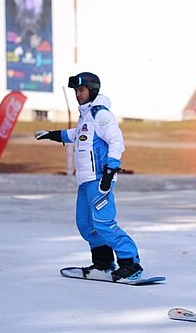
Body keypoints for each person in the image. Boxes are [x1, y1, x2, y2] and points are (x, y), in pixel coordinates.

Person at [34, 72, 143, 282]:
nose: (77, 94)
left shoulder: (101, 114)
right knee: (85, 224)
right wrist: (52, 134)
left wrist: (111, 170)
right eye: (75, 91)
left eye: (81, 90)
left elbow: (116, 141)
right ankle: (103, 264)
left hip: (100, 179)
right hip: (85, 181)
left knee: (104, 223)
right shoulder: (86, 115)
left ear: (92, 91)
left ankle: (131, 264)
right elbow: (77, 135)